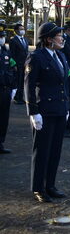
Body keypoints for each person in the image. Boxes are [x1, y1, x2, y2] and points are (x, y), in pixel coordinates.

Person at [25, 22, 69, 202]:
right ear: (49, 39)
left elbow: (64, 84)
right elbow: (28, 85)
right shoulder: (36, 57)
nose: (62, 38)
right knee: (42, 150)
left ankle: (50, 184)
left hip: (59, 109)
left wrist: (67, 107)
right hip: (44, 111)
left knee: (55, 150)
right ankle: (38, 188)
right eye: (59, 36)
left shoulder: (60, 56)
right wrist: (33, 112)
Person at [0, 24, 17, 154]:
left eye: (2, 36)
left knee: (3, 118)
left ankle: (0, 142)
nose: (2, 39)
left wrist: (14, 87)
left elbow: (12, 68)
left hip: (5, 89)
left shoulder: (5, 51)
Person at [10, 23, 29, 104]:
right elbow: (12, 54)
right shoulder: (13, 40)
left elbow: (26, 52)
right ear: (16, 31)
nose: (22, 31)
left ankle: (21, 97)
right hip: (18, 65)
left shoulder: (25, 39)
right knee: (18, 81)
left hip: (25, 64)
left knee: (23, 81)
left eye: (23, 29)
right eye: (20, 29)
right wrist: (14, 65)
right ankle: (17, 98)